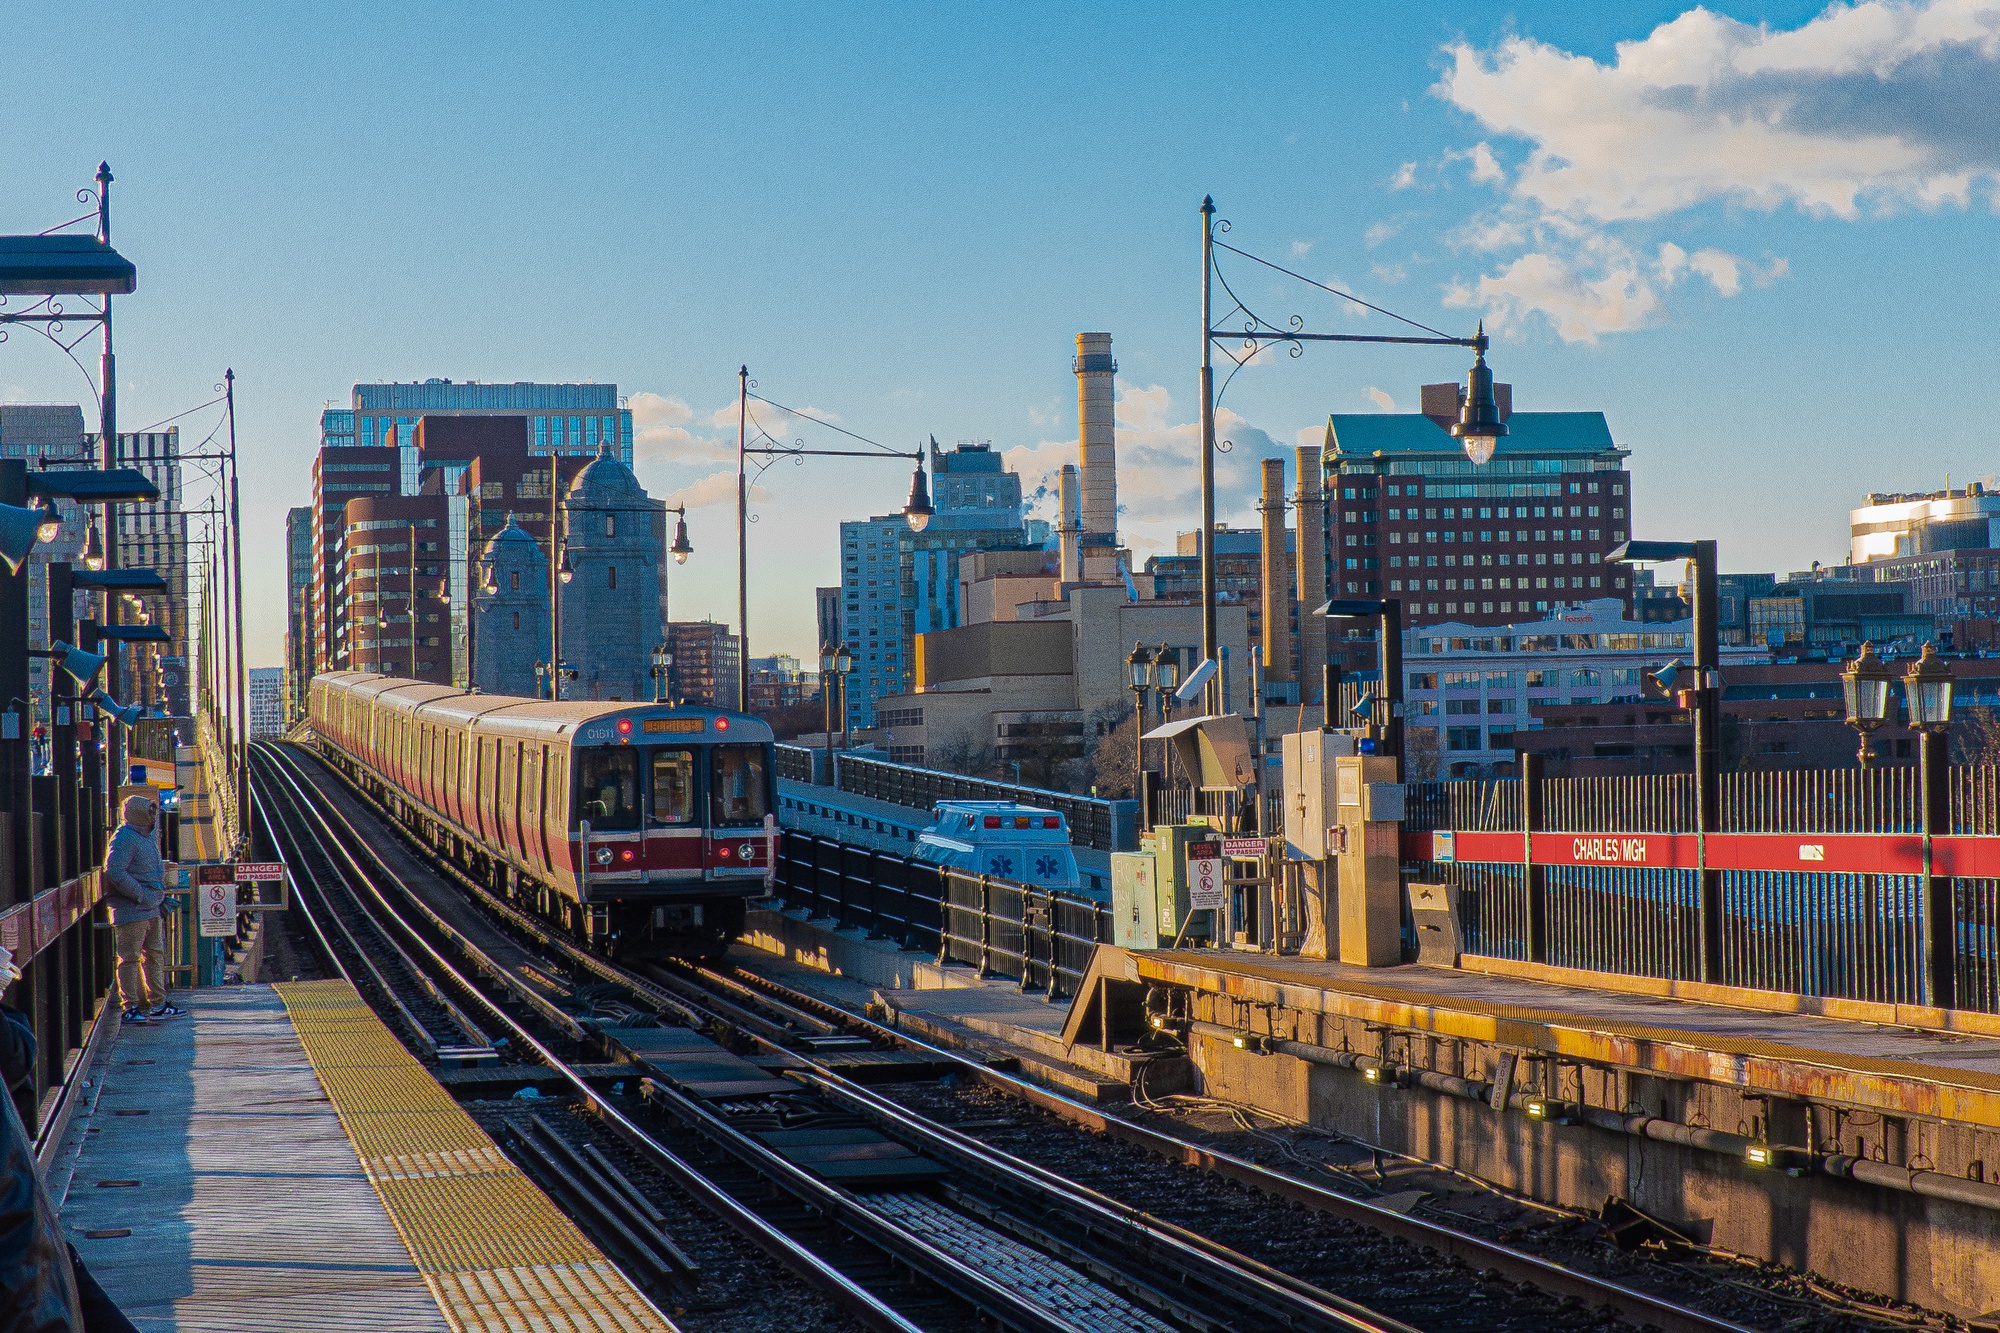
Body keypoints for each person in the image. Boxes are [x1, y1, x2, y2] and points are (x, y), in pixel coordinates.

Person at [102, 797, 182, 1025]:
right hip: (132, 910)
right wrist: (141, 894)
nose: (152, 816)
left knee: (154, 956)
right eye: (149, 812)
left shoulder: (145, 837)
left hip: (149, 908)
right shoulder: (124, 837)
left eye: (153, 812)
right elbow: (114, 870)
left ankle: (158, 1003)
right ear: (137, 813)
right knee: (129, 959)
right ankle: (130, 1007)